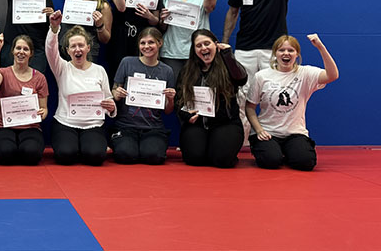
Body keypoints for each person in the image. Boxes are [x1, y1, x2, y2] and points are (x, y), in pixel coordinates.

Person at [223, 0, 313, 141]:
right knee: (242, 97)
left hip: (274, 50)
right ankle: (244, 141)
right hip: (244, 49)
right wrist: (225, 42)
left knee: (273, 96)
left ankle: (273, 139)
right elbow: (232, 12)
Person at [245, 34, 338, 171]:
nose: (286, 53)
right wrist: (259, 130)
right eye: (281, 50)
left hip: (295, 133)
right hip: (268, 131)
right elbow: (249, 107)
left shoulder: (306, 73)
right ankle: (272, 150)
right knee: (271, 161)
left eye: (290, 50)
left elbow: (333, 75)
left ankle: (290, 151)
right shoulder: (262, 76)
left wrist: (320, 47)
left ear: (297, 54)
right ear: (275, 53)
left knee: (305, 162)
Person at [47, 11, 116, 166]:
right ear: (67, 50)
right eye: (73, 46)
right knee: (65, 155)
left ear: (88, 48)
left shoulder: (99, 70)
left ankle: (89, 146)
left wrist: (111, 108)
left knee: (96, 157)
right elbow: (50, 50)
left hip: (93, 124)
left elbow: (109, 98)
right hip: (65, 123)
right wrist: (54, 29)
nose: (77, 49)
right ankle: (74, 146)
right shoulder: (62, 68)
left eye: (81, 45)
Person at [175, 29, 247, 168]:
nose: (204, 48)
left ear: (216, 45)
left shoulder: (227, 66)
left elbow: (241, 79)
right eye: (199, 46)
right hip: (197, 124)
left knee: (222, 160)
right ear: (194, 50)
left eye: (207, 43)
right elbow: (180, 98)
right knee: (194, 158)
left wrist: (227, 55)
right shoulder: (187, 70)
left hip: (225, 123)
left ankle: (221, 149)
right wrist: (185, 115)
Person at [110, 27, 176, 165]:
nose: (146, 46)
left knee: (153, 157)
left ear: (160, 43)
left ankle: (147, 146)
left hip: (153, 128)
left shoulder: (167, 71)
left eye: (151, 42)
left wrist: (170, 99)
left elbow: (168, 111)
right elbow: (114, 91)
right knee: (125, 155)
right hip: (126, 125)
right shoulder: (127, 62)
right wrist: (117, 94)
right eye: (143, 43)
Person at [0, 34, 49, 165]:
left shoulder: (40, 78)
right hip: (4, 127)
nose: (21, 52)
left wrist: (42, 113)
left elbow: (44, 109)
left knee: (31, 154)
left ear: (31, 53)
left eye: (25, 49)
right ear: (13, 51)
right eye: (18, 48)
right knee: (6, 154)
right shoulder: (3, 73)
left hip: (30, 127)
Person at [108, 0, 161, 84]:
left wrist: (149, 15)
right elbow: (121, 7)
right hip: (121, 37)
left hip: (144, 37)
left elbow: (156, 21)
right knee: (119, 73)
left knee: (142, 74)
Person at [159, 0, 218, 79]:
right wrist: (163, 19)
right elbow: (163, 26)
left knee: (196, 92)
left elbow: (209, 7)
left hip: (198, 51)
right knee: (173, 91)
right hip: (172, 51)